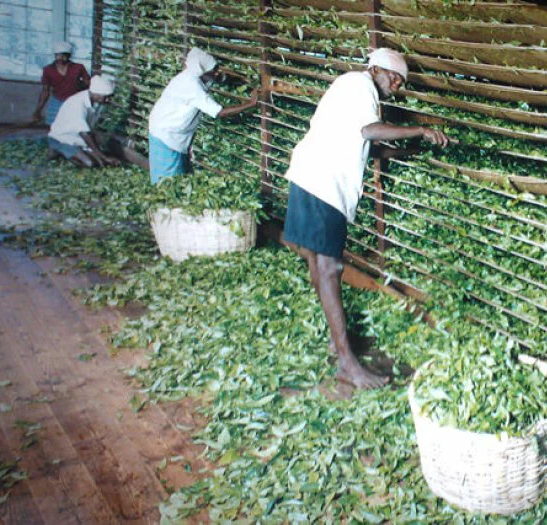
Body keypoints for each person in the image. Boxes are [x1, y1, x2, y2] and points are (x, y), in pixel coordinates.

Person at [283, 48, 449, 389]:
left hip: (309, 175)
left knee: (319, 263)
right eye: (393, 76)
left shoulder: (352, 88)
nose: (397, 84)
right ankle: (347, 364)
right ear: (374, 69)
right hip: (324, 184)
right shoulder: (360, 87)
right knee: (329, 268)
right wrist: (419, 130)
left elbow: (367, 145)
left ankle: (336, 341)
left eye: (401, 81)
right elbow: (369, 132)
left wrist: (412, 149)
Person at [148, 47, 260, 184]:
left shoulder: (195, 76)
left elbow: (222, 79)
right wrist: (250, 103)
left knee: (182, 178)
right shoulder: (191, 86)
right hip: (167, 136)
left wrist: (244, 80)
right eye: (214, 70)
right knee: (169, 182)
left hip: (172, 133)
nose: (217, 73)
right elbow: (219, 112)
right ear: (203, 71)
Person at [47, 75, 120, 168]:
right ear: (96, 93)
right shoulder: (78, 104)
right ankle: (58, 150)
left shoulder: (96, 102)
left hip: (77, 140)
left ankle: (76, 153)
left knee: (100, 163)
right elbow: (84, 133)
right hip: (62, 139)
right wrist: (103, 156)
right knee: (90, 163)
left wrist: (99, 155)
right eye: (106, 97)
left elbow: (89, 130)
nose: (108, 100)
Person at [33, 42, 91, 126]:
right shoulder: (48, 70)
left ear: (69, 56)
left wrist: (80, 87)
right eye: (58, 55)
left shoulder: (78, 67)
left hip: (74, 102)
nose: (60, 58)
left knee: (74, 125)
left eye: (64, 55)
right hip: (57, 101)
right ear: (55, 55)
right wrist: (38, 110)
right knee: (54, 126)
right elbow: (45, 91)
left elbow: (88, 84)